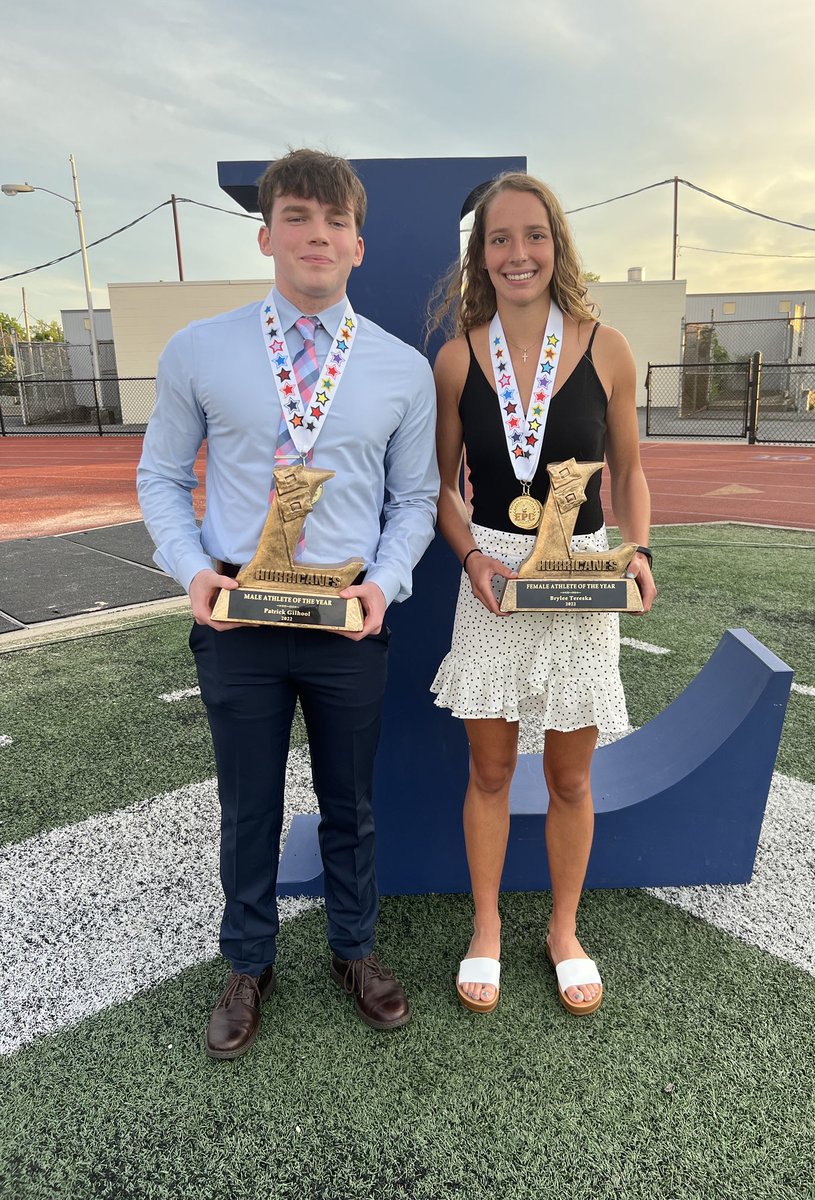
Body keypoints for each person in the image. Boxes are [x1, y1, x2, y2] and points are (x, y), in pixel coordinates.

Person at [137, 149, 438, 1057]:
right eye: (297, 217)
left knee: (351, 802)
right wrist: (192, 571)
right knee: (248, 805)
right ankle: (248, 964)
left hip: (346, 620)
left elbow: (415, 500)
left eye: (335, 221)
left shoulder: (400, 369)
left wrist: (384, 585)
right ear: (267, 236)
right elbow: (159, 477)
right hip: (238, 619)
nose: (317, 235)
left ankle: (354, 950)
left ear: (358, 244)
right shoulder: (199, 350)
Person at [429, 172, 656, 1016]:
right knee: (490, 771)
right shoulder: (458, 359)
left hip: (582, 574)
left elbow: (631, 471)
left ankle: (564, 929)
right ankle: (487, 925)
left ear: (556, 245)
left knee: (569, 777)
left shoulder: (609, 348)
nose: (517, 253)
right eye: (499, 238)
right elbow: (439, 488)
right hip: (493, 574)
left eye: (533, 235)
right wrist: (469, 557)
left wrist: (637, 549)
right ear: (480, 256)